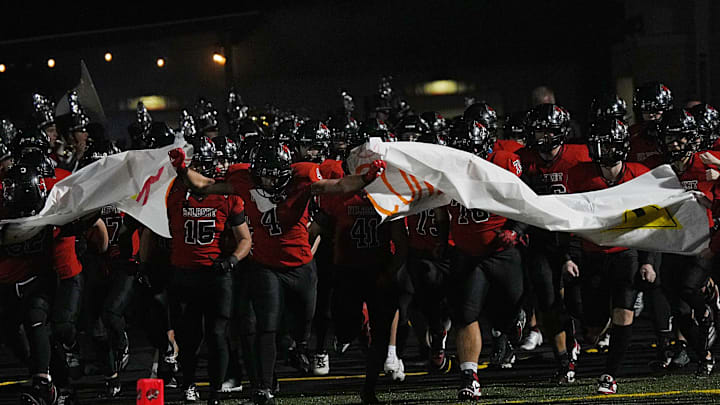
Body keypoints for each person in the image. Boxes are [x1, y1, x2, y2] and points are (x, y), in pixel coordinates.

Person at [168, 139, 385, 405]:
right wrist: (181, 169)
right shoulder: (244, 180)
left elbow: (339, 186)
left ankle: (300, 345)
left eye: (274, 176)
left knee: (304, 322)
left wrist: (367, 178)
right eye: (264, 176)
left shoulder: (303, 177)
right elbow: (204, 184)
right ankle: (263, 388)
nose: (269, 182)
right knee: (266, 327)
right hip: (266, 265)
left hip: (301, 264)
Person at [565, 118, 659, 394]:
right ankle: (595, 329)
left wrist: (647, 261)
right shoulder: (581, 175)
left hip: (625, 253)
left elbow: (650, 221)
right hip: (592, 253)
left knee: (623, 312)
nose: (602, 150)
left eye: (608, 144)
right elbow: (572, 220)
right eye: (599, 144)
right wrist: (569, 256)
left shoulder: (640, 174)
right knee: (591, 327)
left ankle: (610, 375)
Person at [449, 103, 527, 400]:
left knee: (505, 314)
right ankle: (469, 375)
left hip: (501, 251)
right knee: (466, 314)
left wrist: (515, 230)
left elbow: (526, 202)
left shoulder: (504, 162)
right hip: (468, 254)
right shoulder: (447, 171)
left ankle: (514, 322)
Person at [166, 136, 252, 405]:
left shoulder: (226, 196)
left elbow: (245, 240)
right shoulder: (174, 192)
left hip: (216, 275)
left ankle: (215, 390)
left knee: (217, 335)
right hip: (184, 274)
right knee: (189, 338)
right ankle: (189, 383)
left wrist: (232, 261)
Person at [516, 103, 590, 385]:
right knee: (547, 299)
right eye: (538, 132)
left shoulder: (580, 156)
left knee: (579, 305)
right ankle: (564, 359)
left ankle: (581, 339)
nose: (542, 138)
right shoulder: (522, 158)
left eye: (547, 132)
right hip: (540, 238)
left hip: (575, 237)